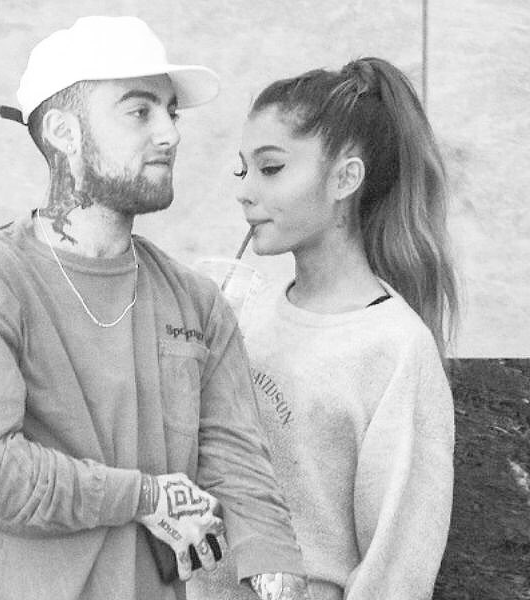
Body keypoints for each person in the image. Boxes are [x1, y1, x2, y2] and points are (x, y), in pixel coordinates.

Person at [0, 16, 308, 600]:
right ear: (65, 132)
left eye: (171, 113)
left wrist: (276, 564)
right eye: (139, 111)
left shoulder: (196, 303)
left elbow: (238, 463)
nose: (169, 134)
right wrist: (144, 498)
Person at [227, 57, 458, 600]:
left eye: (271, 168)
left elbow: (395, 572)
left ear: (345, 178)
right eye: (243, 171)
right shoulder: (246, 312)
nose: (245, 190)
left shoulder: (396, 350)